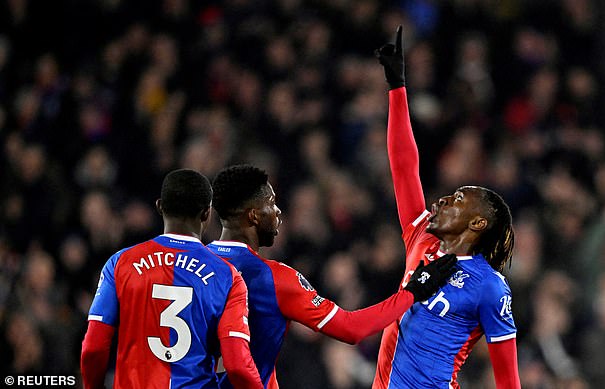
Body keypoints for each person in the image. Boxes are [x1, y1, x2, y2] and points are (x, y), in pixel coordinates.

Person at [207, 164, 458, 389]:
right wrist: (413, 292)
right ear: (253, 215)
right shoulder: (274, 278)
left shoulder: (191, 265)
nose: (278, 211)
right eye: (271, 203)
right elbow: (351, 328)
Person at [372, 26, 521, 388]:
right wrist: (397, 88)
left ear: (477, 224)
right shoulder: (421, 237)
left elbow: (508, 381)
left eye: (457, 201)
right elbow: (404, 166)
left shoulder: (490, 288)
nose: (442, 201)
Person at [80, 169, 263, 389]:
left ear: (159, 207)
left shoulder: (120, 264)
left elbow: (93, 348)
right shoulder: (228, 277)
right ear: (207, 213)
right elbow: (238, 366)